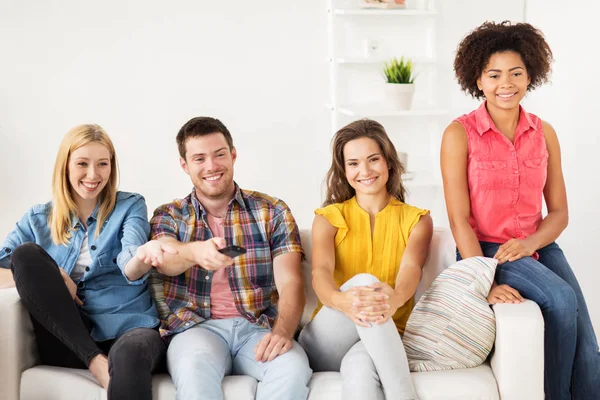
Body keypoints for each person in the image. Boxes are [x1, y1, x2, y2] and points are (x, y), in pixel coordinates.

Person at [441, 21, 600, 399]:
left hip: (535, 242)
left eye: (516, 73)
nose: (505, 83)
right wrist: (485, 282)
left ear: (530, 75)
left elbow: (559, 212)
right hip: (488, 248)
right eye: (494, 75)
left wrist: (531, 243)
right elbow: (459, 219)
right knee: (559, 299)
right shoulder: (458, 134)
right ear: (478, 80)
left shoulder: (544, 132)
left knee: (590, 348)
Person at [145, 116, 311, 400]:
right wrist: (196, 252)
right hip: (194, 329)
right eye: (199, 158)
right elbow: (166, 258)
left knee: (293, 368)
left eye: (219, 154)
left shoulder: (272, 211)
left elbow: (292, 282)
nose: (211, 166)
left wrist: (283, 331)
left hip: (258, 327)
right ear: (184, 165)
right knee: (193, 372)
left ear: (233, 155)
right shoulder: (169, 215)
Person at [0, 124, 168, 399]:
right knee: (26, 254)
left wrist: (142, 256)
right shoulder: (38, 218)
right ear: (65, 166)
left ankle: (100, 361)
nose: (93, 174)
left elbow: (131, 255)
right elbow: (17, 265)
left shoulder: (130, 205)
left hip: (129, 329)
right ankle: (95, 361)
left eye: (103, 164)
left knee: (129, 354)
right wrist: (57, 275)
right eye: (82, 163)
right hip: (68, 338)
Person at [299, 119, 433, 400]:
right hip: (328, 339)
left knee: (359, 369)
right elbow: (320, 273)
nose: (365, 171)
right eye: (354, 164)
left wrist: (394, 300)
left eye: (373, 160)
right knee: (366, 282)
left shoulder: (416, 220)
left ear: (388, 163)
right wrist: (341, 301)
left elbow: (412, 269)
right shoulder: (328, 219)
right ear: (344, 170)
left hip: (385, 335)